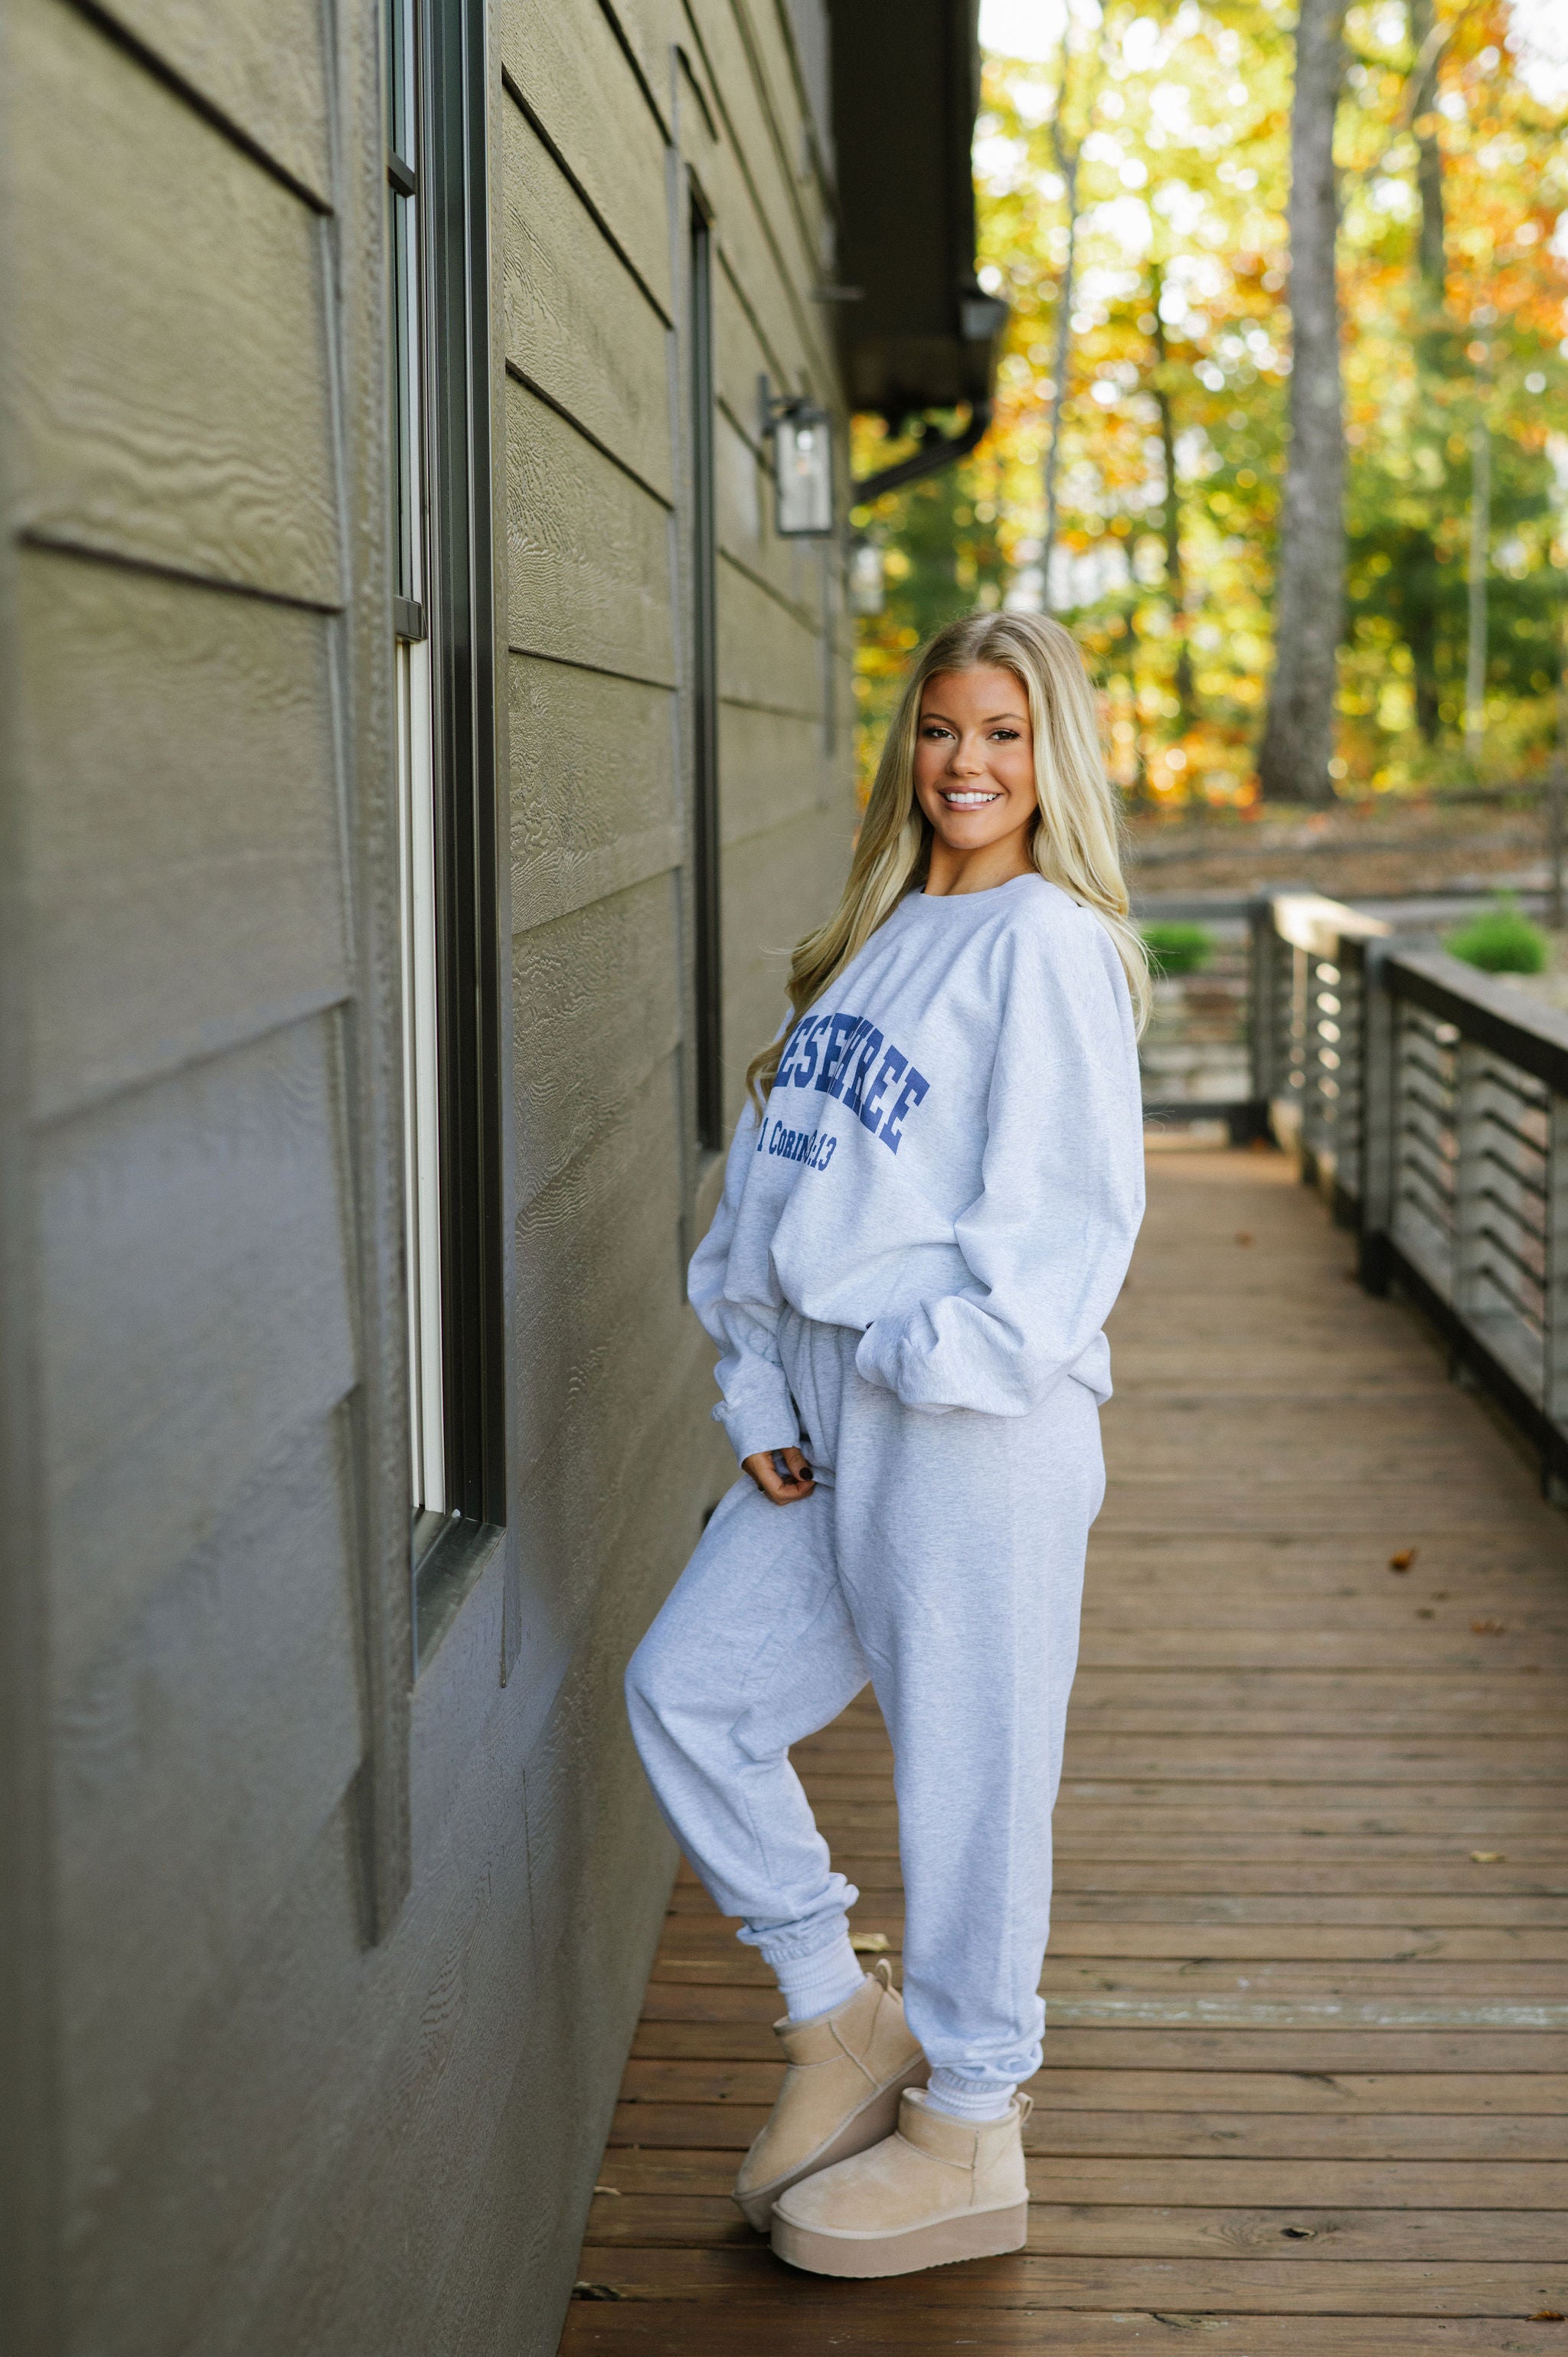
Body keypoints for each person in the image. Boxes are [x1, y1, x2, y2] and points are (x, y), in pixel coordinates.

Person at [626, 610, 1148, 2279]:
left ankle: (972, 2122)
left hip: (967, 1422)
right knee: (689, 1693)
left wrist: (918, 1358)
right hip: (832, 1411)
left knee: (972, 1775)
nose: (966, 764)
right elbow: (774, 1185)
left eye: (1001, 732)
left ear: (1049, 751)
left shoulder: (1047, 946)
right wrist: (763, 1383)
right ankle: (835, 2018)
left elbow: (1068, 1228)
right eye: (938, 730)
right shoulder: (883, 928)